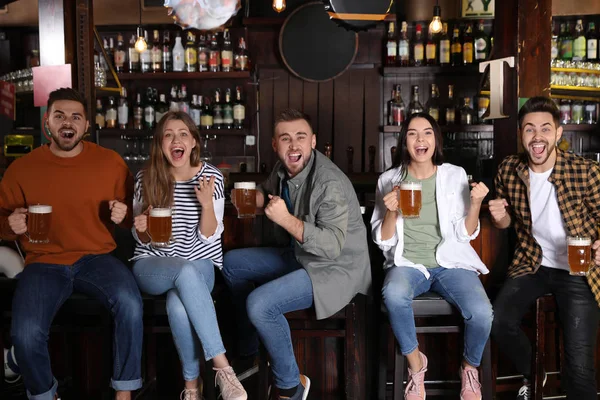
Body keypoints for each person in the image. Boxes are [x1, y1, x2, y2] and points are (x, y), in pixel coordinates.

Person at [0, 88, 142, 400]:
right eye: (60, 115)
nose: (68, 122)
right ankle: (43, 395)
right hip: (43, 262)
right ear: (47, 123)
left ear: (87, 125)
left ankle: (125, 392)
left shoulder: (111, 163)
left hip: (98, 259)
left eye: (76, 116)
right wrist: (9, 225)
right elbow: (2, 218)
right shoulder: (22, 168)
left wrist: (126, 215)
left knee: (130, 304)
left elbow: (138, 216)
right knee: (24, 335)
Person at [222, 108, 371, 400]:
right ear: (275, 145)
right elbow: (269, 192)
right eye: (285, 138)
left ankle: (291, 387)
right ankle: (249, 356)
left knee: (259, 304)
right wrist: (253, 198)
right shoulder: (282, 169)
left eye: (301, 137)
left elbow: (331, 246)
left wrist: (285, 219)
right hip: (301, 256)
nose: (294, 145)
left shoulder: (329, 183)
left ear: (313, 141)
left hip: (335, 269)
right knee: (231, 264)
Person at [371, 113, 493, 400]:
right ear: (404, 141)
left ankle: (469, 368)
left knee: (483, 313)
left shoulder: (454, 175)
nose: (420, 139)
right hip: (409, 264)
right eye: (412, 133)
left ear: (435, 139)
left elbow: (466, 234)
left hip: (449, 263)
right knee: (393, 295)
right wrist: (391, 210)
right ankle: (416, 365)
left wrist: (475, 204)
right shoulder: (389, 180)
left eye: (427, 132)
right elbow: (383, 240)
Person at [490, 96, 600, 400]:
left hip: (578, 269)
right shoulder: (509, 169)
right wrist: (500, 218)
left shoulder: (584, 171)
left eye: (545, 129)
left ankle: (566, 380)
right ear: (520, 134)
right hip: (532, 264)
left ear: (558, 133)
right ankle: (536, 372)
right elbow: (505, 222)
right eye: (529, 130)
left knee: (578, 372)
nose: (537, 137)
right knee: (497, 322)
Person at [131, 111, 247, 400]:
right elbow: (143, 238)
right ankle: (223, 369)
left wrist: (207, 205)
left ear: (194, 142)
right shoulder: (146, 177)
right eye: (168, 135)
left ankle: (192, 388)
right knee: (182, 272)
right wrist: (143, 229)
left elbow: (210, 236)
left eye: (183, 133)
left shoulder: (211, 177)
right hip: (152, 264)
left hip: (200, 263)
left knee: (177, 303)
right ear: (160, 144)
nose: (176, 140)